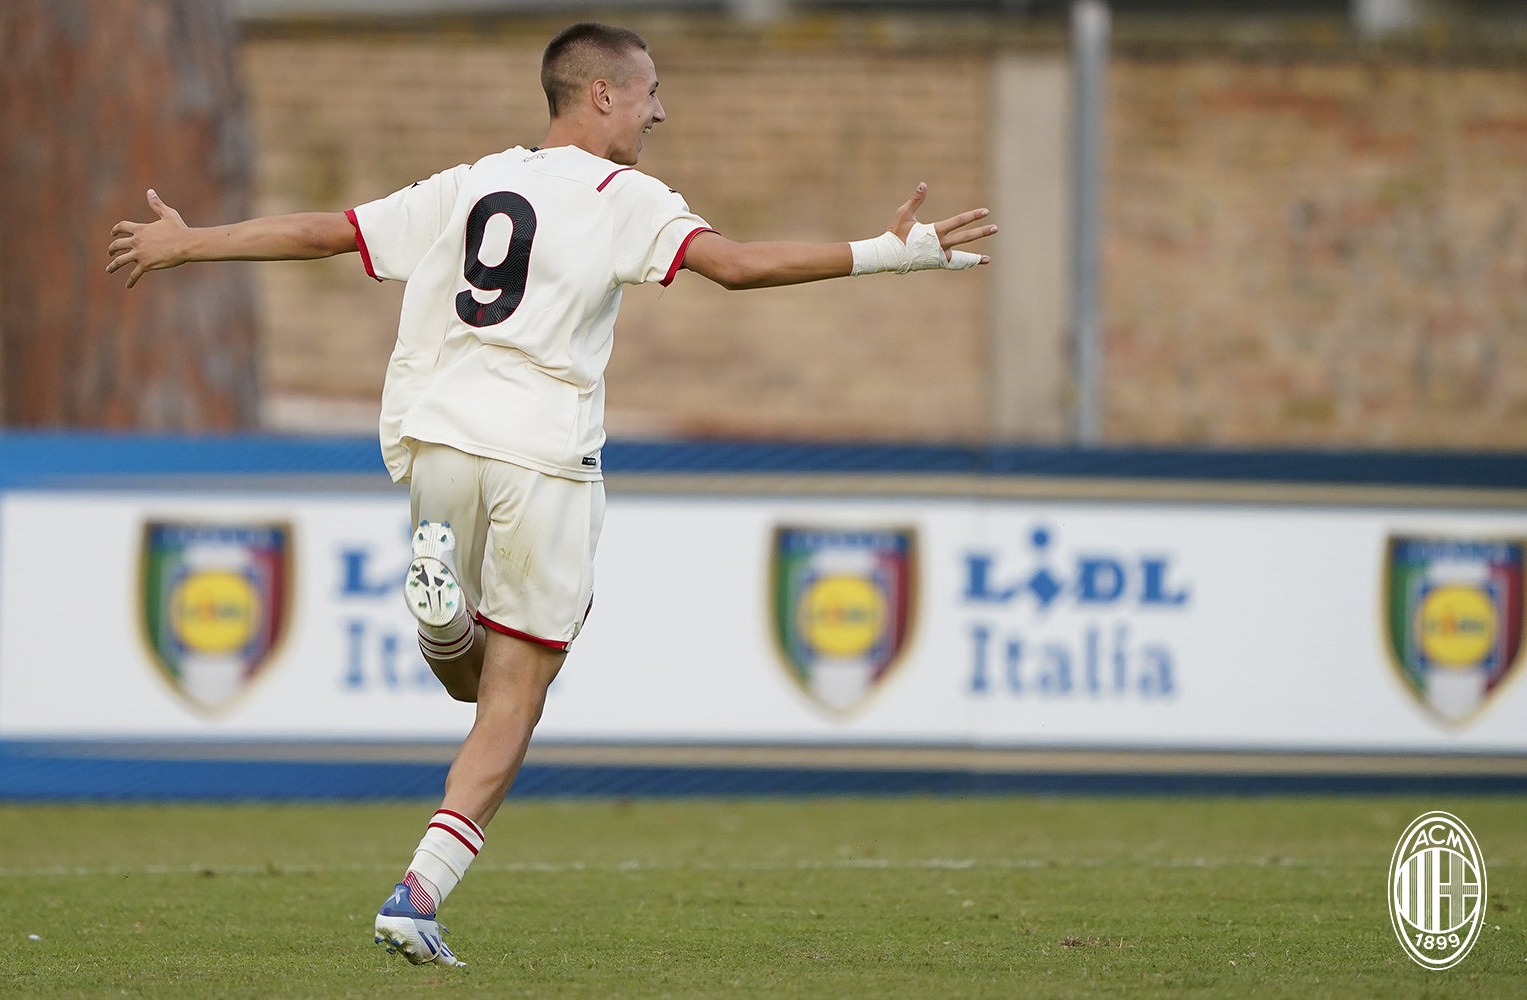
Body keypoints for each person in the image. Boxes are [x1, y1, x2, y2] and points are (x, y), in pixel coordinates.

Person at [106, 21, 998, 969]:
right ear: (601, 95)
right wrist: (885, 253)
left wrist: (191, 242)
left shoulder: (467, 183)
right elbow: (735, 267)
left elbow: (327, 232)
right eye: (649, 91)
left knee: (466, 675)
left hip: (438, 443)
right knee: (517, 697)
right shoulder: (628, 196)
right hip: (542, 456)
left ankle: (444, 618)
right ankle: (418, 893)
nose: (661, 110)